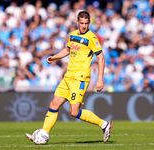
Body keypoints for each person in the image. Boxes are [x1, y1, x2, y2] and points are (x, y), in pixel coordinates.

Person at [25, 11, 113, 143]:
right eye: (82, 23)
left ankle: (104, 124)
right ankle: (43, 134)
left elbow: (101, 58)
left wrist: (100, 79)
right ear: (77, 22)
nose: (84, 26)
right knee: (53, 105)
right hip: (68, 77)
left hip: (80, 79)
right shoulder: (72, 35)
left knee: (74, 111)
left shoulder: (91, 38)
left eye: (86, 23)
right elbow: (68, 50)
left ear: (89, 23)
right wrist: (54, 57)